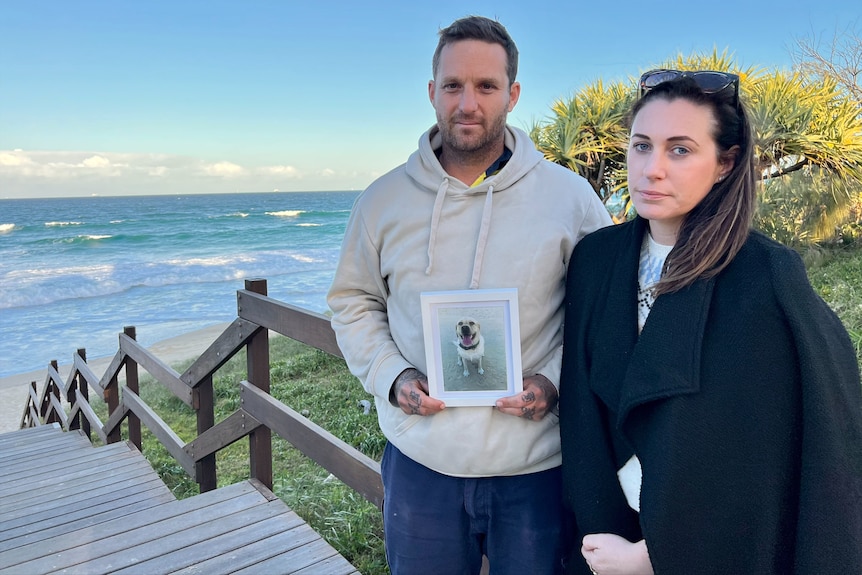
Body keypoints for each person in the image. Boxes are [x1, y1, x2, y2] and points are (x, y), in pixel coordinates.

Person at [327, 15, 612, 575]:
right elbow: (352, 301)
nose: (468, 102)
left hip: (535, 466)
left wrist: (553, 380)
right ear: (432, 92)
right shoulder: (382, 201)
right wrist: (393, 377)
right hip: (420, 464)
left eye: (486, 86)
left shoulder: (570, 199)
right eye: (453, 85)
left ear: (513, 93)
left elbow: (600, 313)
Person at [558, 69, 862, 575]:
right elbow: (582, 407)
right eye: (641, 146)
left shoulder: (765, 276)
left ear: (725, 163)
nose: (652, 169)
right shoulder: (596, 259)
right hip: (601, 545)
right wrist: (598, 533)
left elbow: (767, 452)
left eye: (680, 150)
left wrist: (656, 555)